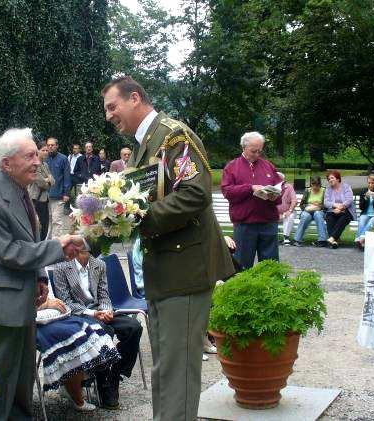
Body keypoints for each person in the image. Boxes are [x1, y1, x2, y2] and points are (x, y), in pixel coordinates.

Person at [102, 75, 234, 420]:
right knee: (164, 368)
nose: (109, 115)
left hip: (185, 270)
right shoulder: (146, 143)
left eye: (112, 106)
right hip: (163, 272)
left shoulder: (173, 136)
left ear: (135, 98)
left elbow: (195, 193)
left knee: (178, 372)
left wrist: (137, 219)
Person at [0, 127, 81, 420]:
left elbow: (28, 241)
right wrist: (57, 246)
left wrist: (41, 276)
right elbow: (9, 252)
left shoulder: (19, 190)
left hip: (20, 300)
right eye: (30, 155)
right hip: (0, 307)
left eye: (37, 153)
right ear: (6, 163)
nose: (37, 160)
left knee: (21, 379)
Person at [52, 239, 142, 409]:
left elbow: (103, 294)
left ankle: (115, 372)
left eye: (87, 251)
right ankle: (103, 382)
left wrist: (106, 310)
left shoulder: (98, 264)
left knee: (133, 328)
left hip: (99, 310)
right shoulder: (61, 267)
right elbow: (66, 301)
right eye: (81, 251)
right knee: (104, 331)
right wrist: (93, 313)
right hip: (79, 314)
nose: (85, 254)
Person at [35, 282, 119, 412]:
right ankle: (74, 393)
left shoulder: (98, 264)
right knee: (70, 336)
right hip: (31, 320)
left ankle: (74, 385)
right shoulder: (61, 266)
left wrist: (51, 303)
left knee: (85, 329)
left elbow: (52, 297)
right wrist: (43, 305)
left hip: (54, 315)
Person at [221, 131, 282, 269]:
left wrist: (275, 195)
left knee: (271, 266)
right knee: (242, 266)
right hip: (245, 224)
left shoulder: (268, 166)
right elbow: (227, 191)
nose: (257, 154)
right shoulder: (232, 167)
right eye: (254, 151)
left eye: (260, 151)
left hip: (268, 222)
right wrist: (250, 188)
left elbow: (280, 189)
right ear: (244, 147)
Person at [45, 137, 71, 238]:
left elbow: (67, 177)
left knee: (57, 221)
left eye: (52, 145)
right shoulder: (44, 158)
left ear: (57, 146)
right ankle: (47, 243)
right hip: (45, 196)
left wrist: (66, 193)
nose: (50, 147)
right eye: (48, 145)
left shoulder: (63, 159)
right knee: (48, 221)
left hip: (58, 195)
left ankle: (57, 244)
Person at [28, 141, 54, 240]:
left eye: (47, 150)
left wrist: (48, 180)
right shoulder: (34, 165)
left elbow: (53, 181)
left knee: (46, 226)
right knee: (38, 226)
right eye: (43, 150)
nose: (46, 152)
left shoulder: (45, 165)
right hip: (36, 199)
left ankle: (42, 246)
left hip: (45, 199)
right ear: (37, 151)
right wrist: (47, 180)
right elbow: (41, 183)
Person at [292, 175, 328, 247]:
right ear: (311, 184)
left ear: (320, 184)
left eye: (317, 185)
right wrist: (307, 207)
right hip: (308, 210)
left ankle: (322, 240)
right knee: (305, 216)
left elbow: (326, 205)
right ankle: (297, 240)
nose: (315, 187)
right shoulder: (307, 190)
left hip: (319, 210)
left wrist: (319, 207)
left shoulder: (324, 190)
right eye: (313, 185)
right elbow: (302, 204)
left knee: (318, 214)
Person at [323, 170, 355, 248]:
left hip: (346, 211)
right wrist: (335, 205)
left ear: (337, 179)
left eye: (332, 178)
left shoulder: (346, 187)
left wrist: (341, 207)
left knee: (343, 219)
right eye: (329, 179)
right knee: (329, 217)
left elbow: (349, 200)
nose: (330, 180)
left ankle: (332, 238)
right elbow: (326, 202)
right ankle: (334, 241)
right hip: (333, 210)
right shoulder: (328, 189)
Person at [354, 174, 374, 248]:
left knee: (371, 222)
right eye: (369, 183)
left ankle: (359, 239)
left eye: (372, 183)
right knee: (362, 220)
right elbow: (361, 207)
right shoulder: (363, 191)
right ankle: (361, 241)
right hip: (365, 213)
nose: (370, 185)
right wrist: (365, 198)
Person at [276, 172, 297, 245]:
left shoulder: (289, 187)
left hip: (287, 211)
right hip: (274, 213)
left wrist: (290, 210)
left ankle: (286, 237)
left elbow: (294, 200)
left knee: (290, 216)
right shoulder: (272, 188)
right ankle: (271, 238)